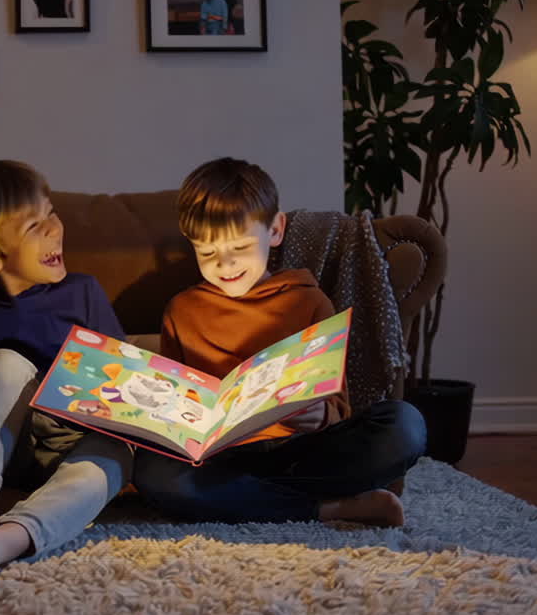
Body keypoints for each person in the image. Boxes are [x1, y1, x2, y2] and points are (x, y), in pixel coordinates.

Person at [131, 157, 427, 526]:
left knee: (404, 426)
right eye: (207, 253)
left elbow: (338, 405)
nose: (225, 264)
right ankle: (326, 508)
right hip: (220, 460)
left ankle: (245, 498)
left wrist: (321, 415)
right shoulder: (181, 310)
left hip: (298, 452)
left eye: (240, 247)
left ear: (275, 230)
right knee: (153, 473)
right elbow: (177, 405)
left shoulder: (309, 301)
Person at [0, 160, 135, 596]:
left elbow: (122, 371)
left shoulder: (83, 292)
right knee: (7, 363)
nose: (54, 229)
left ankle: (0, 542)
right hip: (10, 445)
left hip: (74, 440)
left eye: (51, 213)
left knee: (116, 453)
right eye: (34, 227)